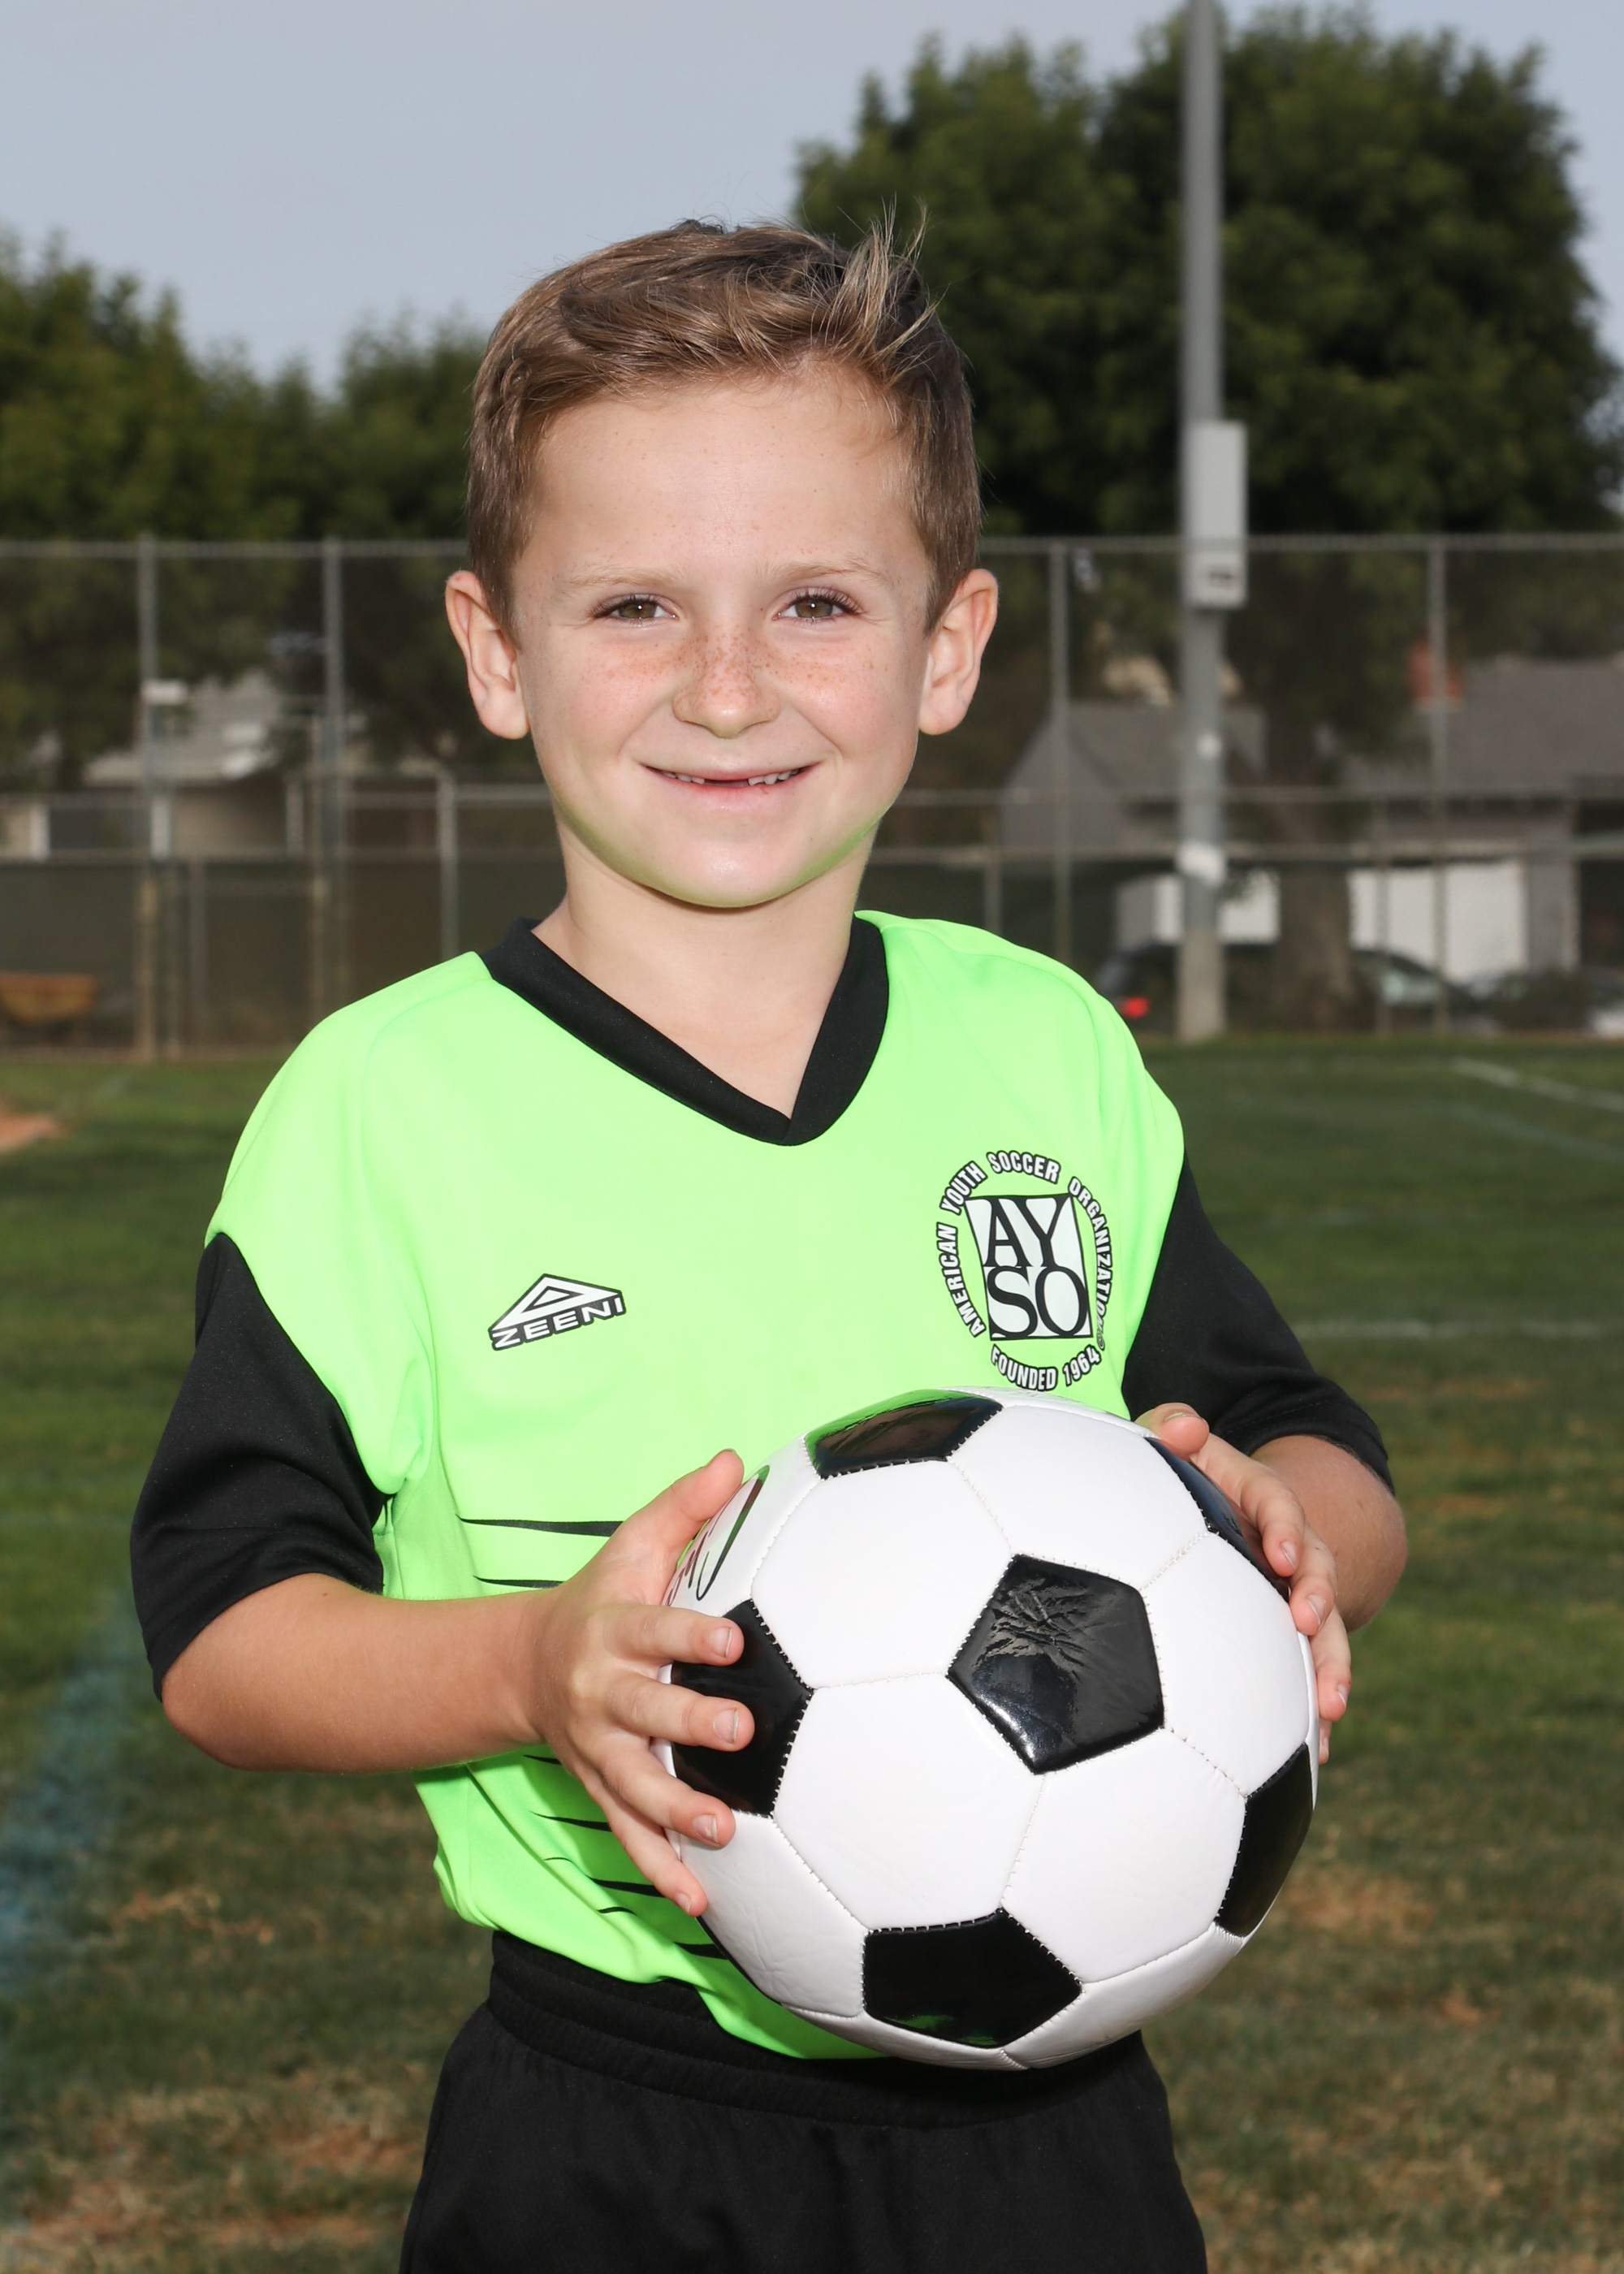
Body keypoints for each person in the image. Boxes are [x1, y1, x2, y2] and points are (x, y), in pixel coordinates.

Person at [131, 219, 1406, 2273]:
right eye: (634, 603)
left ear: (947, 647)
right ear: (495, 649)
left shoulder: (1041, 1048)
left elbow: (1301, 1438)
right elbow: (222, 1631)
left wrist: (1291, 1533)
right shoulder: (383, 1113)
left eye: (815, 601)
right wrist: (527, 1664)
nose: (726, 686)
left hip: (1058, 2144)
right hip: (605, 2137)